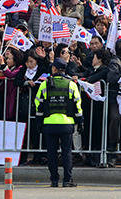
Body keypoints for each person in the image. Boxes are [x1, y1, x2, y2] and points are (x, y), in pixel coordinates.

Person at [34, 58, 83, 187]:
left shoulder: (45, 84)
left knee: (51, 153)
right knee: (67, 152)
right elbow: (78, 105)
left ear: (54, 69)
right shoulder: (71, 84)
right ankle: (67, 180)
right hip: (67, 124)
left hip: (49, 124)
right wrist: (80, 121)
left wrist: (39, 122)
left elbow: (38, 103)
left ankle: (54, 180)